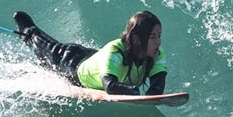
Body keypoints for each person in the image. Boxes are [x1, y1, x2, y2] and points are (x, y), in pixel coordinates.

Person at [14, 10, 167, 95]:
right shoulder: (115, 51)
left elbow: (158, 84)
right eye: (152, 37)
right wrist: (134, 92)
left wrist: (152, 93)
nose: (158, 42)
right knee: (44, 50)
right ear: (136, 39)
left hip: (92, 57)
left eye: (159, 36)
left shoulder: (157, 54)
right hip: (71, 64)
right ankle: (28, 29)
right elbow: (110, 86)